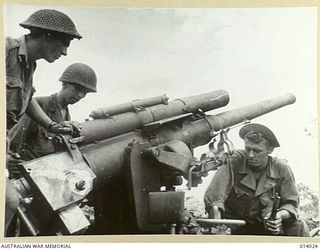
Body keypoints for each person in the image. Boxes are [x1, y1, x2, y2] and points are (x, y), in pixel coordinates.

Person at [5, 9, 82, 236]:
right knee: (9, 201)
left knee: (10, 203)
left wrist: (52, 126)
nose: (65, 52)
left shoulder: (29, 64)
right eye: (64, 43)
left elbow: (27, 99)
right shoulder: (6, 52)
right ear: (47, 36)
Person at [204, 123, 310, 236]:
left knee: (299, 226)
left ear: (270, 150)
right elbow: (215, 199)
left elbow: (291, 204)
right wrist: (216, 223)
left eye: (257, 151)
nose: (250, 155)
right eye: (247, 149)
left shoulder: (281, 168)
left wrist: (278, 217)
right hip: (237, 226)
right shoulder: (234, 161)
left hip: (266, 227)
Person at [12, 63, 97, 160]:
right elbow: (13, 141)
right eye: (77, 89)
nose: (80, 95)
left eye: (85, 93)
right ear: (64, 83)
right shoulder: (38, 105)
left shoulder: (66, 115)